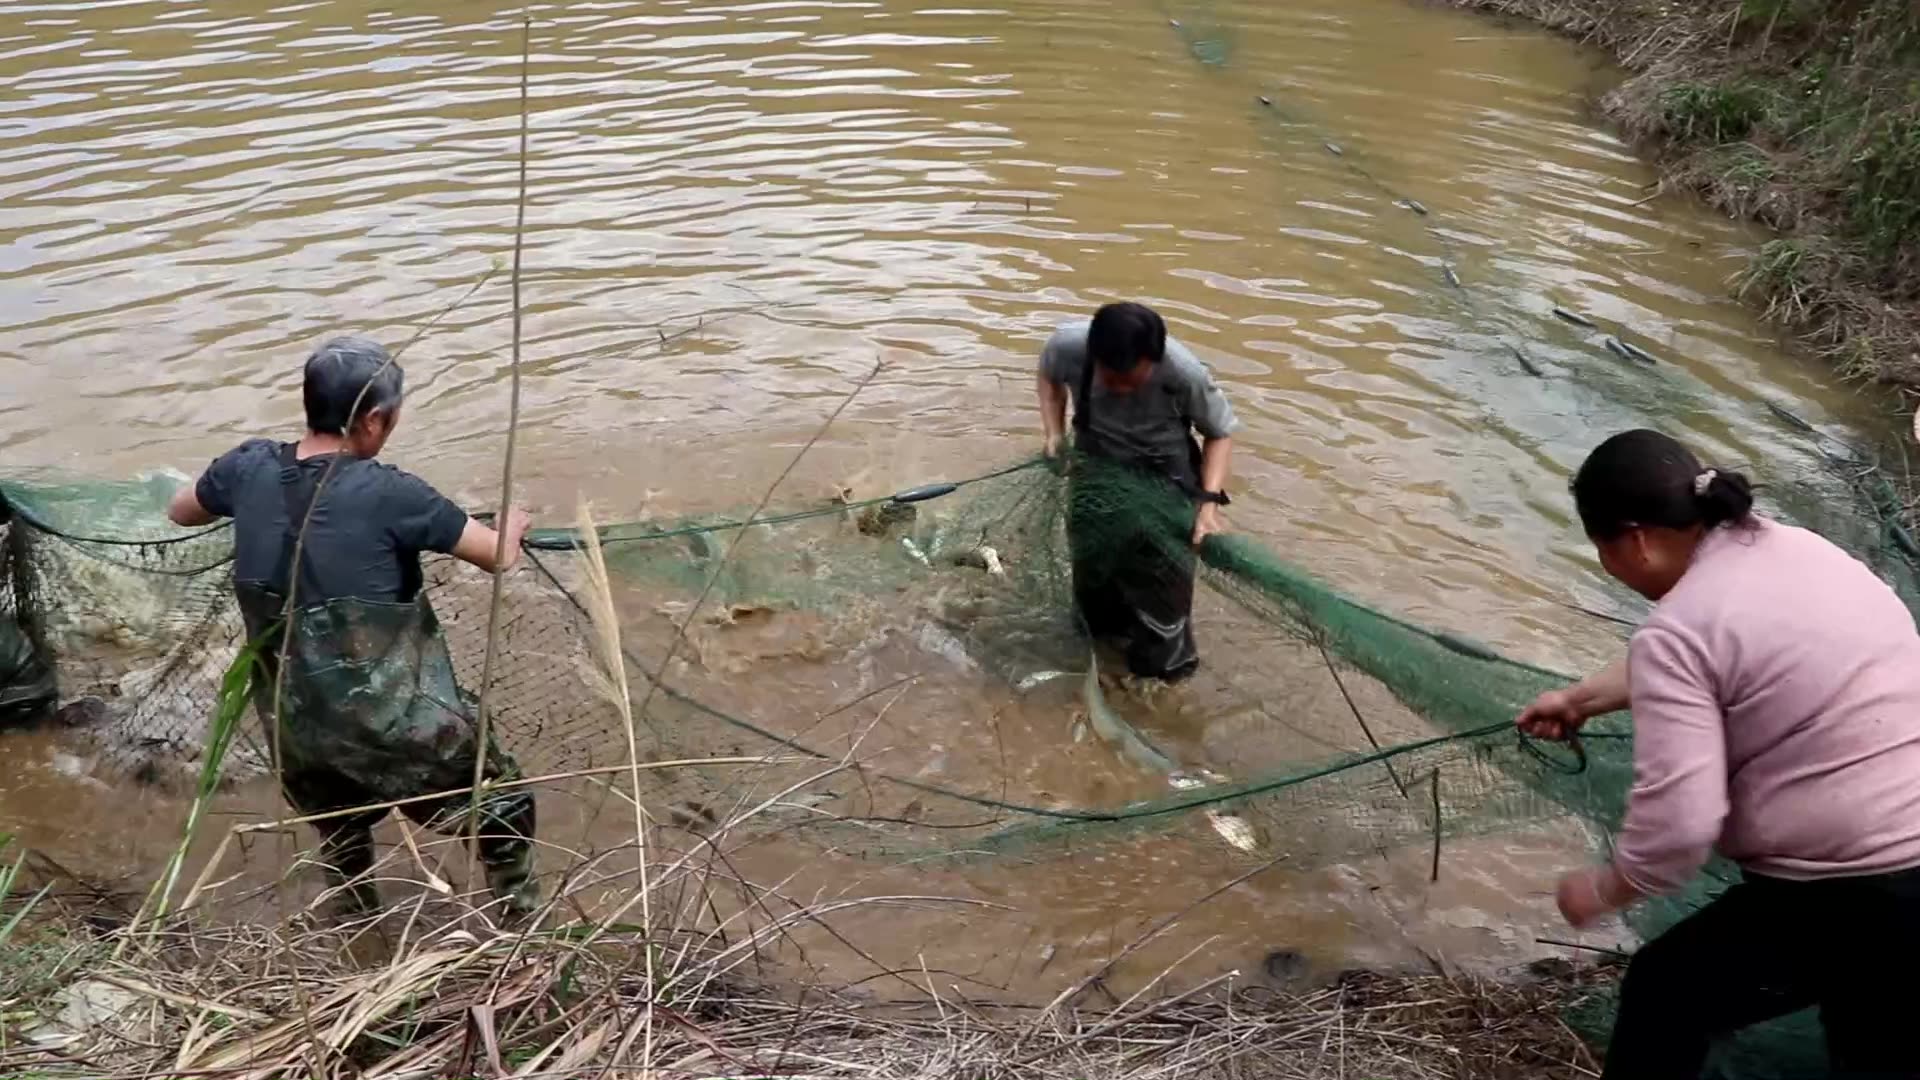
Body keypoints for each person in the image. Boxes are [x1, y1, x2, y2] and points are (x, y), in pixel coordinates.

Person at [1517, 429, 1920, 1078]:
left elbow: (1682, 824)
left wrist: (1604, 888)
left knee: (1664, 991)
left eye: (1602, 549)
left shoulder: (1683, 627)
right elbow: (1716, 650)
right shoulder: (1792, 549)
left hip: (1847, 888)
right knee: (1874, 1048)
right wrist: (1582, 699)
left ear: (1636, 539)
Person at [167, 336, 540, 917]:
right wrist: (513, 523)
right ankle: (522, 920)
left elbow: (180, 509)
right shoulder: (393, 493)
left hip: (298, 727)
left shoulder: (248, 466)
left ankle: (354, 912)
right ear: (372, 420)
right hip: (393, 726)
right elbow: (496, 557)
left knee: (340, 823)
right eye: (390, 418)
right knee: (502, 803)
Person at [1036, 301, 1237, 681]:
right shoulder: (1067, 346)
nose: (1118, 386)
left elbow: (1220, 433)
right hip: (1095, 466)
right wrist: (1054, 433)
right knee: (1094, 573)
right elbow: (1049, 378)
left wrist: (1208, 506)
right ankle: (1100, 651)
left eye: (1130, 377)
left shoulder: (1184, 372)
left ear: (1153, 358)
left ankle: (1160, 682)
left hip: (1163, 477)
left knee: (1163, 587)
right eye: (1110, 376)